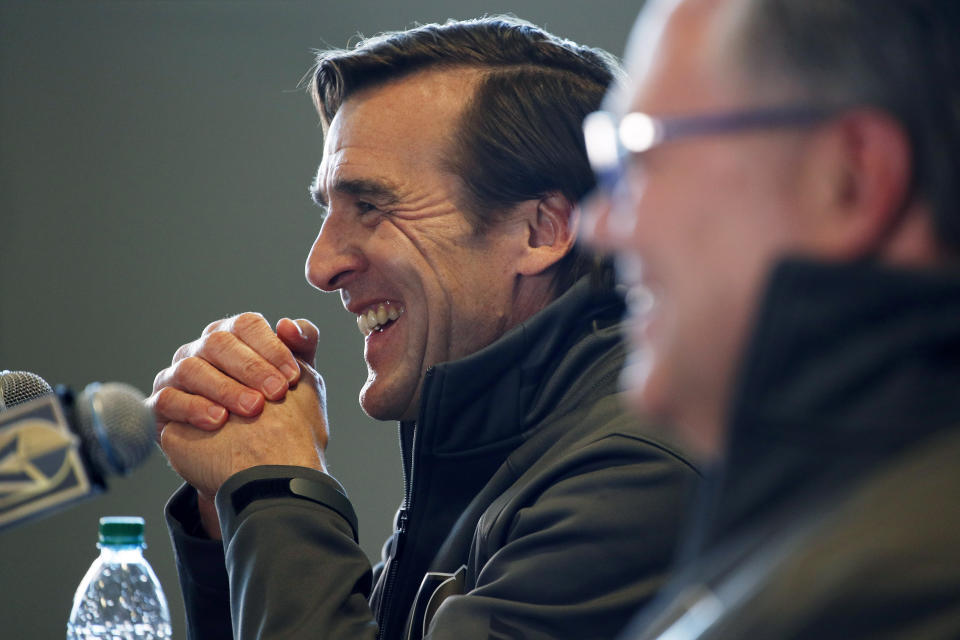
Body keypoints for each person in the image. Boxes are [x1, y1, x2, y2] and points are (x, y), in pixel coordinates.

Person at [148, 17, 700, 640]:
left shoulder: (634, 474)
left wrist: (278, 492)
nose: (320, 265)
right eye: (329, 209)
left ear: (541, 231)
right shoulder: (489, 457)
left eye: (373, 205)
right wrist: (236, 519)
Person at [580, 0, 960, 637]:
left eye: (636, 157)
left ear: (851, 180)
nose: (596, 226)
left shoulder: (891, 599)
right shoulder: (831, 548)